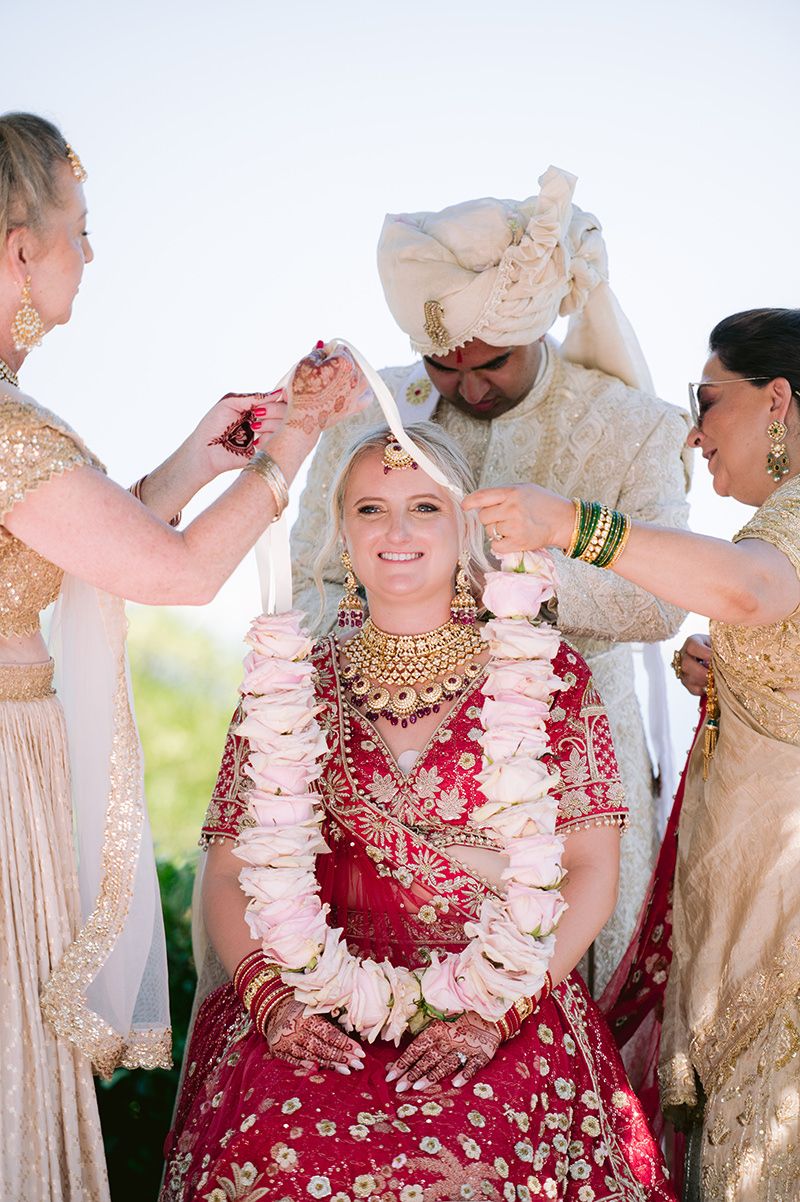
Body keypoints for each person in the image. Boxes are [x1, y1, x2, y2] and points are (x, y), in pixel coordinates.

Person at [161, 422, 675, 1201]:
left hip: (505, 1001)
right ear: (341, 529)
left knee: (483, 1155)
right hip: (309, 1000)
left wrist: (492, 1016)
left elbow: (589, 873)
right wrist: (272, 1005)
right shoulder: (291, 683)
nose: (396, 532)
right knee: (283, 1147)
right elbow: (230, 875)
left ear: (466, 522)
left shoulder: (548, 673)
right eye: (371, 509)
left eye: (424, 508)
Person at [0, 111, 366, 1202]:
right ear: (21, 249)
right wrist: (291, 444)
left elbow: (77, 551)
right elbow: (175, 575)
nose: (92, 255)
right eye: (81, 230)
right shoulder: (14, 433)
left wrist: (195, 459)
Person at [291, 166, 692, 996]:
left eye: (494, 364)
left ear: (541, 327)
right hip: (387, 763)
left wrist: (522, 581)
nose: (468, 385)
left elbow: (660, 603)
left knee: (571, 1004)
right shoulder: (364, 421)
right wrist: (387, 631)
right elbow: (312, 586)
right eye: (442, 366)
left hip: (569, 775)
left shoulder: (630, 428)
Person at [463, 308, 800, 1199]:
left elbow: (751, 588)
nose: (694, 429)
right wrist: (730, 673)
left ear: (777, 403)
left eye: (708, 398)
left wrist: (574, 525)